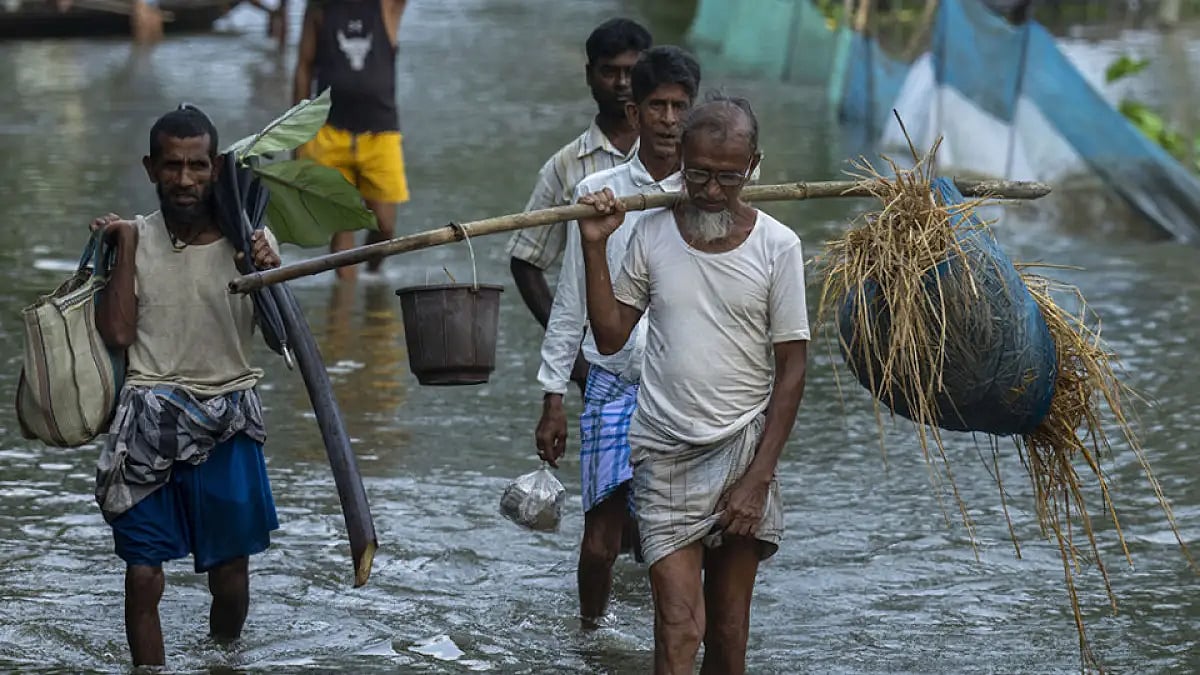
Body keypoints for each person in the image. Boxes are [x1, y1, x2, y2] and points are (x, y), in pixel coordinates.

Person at [577, 96, 810, 675]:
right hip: (663, 453)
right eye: (698, 173)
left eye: (728, 177)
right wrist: (593, 245)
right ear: (679, 157)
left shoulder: (778, 247)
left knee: (729, 638)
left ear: (753, 165)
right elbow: (609, 338)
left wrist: (757, 481)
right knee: (680, 630)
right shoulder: (652, 235)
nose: (710, 190)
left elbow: (793, 370)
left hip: (744, 453)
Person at [90, 106, 283, 667]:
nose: (184, 179)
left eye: (197, 166)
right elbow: (119, 332)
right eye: (171, 165)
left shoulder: (251, 241)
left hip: (228, 419)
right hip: (147, 422)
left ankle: (223, 658)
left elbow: (279, 339)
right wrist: (122, 245)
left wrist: (265, 270)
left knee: (229, 578)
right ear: (151, 168)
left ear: (216, 168)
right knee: (144, 576)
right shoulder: (133, 237)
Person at [535, 45, 701, 627]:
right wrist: (553, 396)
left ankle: (672, 639)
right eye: (657, 106)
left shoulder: (707, 193)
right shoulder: (600, 192)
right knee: (600, 542)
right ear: (634, 113)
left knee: (678, 539)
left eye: (681, 107)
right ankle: (590, 636)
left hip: (684, 387)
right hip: (613, 381)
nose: (669, 121)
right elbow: (572, 302)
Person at [506, 17, 652, 393]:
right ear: (590, 75)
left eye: (631, 72)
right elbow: (527, 260)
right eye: (609, 72)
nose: (621, 84)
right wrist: (573, 360)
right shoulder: (566, 167)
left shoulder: (676, 156)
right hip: (603, 356)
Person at [293, 0, 410, 281]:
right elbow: (304, 67)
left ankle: (372, 276)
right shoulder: (320, 8)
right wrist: (298, 130)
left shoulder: (386, 6)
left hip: (379, 132)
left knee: (384, 225)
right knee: (341, 224)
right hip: (329, 131)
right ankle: (344, 313)